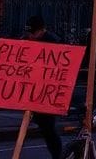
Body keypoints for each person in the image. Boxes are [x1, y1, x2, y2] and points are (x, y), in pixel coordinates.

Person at [24, 16, 63, 159]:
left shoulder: (53, 41)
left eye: (33, 32)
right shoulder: (27, 39)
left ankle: (57, 155)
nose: (30, 35)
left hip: (47, 92)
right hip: (34, 90)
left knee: (48, 128)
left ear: (41, 30)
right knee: (45, 127)